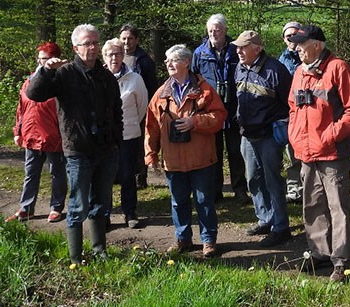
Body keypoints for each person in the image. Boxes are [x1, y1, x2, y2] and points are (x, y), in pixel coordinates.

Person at [27, 24, 124, 265]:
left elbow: (117, 110)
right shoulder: (64, 73)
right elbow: (34, 94)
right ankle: (75, 258)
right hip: (78, 150)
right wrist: (45, 70)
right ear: (75, 48)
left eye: (94, 43)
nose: (92, 47)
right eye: (86, 43)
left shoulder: (106, 76)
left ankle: (99, 251)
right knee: (78, 205)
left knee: (102, 203)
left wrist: (116, 139)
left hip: (106, 149)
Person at [287, 25, 350, 282]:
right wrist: (295, 136)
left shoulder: (337, 68)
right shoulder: (299, 71)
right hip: (306, 153)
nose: (297, 48)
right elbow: (292, 108)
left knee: (337, 208)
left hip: (332, 153)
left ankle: (341, 262)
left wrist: (330, 136)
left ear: (317, 45)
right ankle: (319, 254)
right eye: (295, 43)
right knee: (312, 205)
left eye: (302, 43)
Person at [145, 44, 228, 258]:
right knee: (178, 201)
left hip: (201, 158)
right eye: (167, 61)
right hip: (172, 161)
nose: (169, 64)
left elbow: (219, 117)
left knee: (204, 201)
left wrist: (195, 122)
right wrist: (150, 153)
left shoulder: (205, 90)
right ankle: (183, 239)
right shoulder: (161, 94)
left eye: (173, 60)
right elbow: (151, 126)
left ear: (186, 63)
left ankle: (208, 240)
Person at [233, 30, 293, 247]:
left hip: (268, 136)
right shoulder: (239, 67)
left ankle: (281, 226)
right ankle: (265, 218)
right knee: (253, 179)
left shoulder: (276, 70)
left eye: (243, 47)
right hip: (247, 135)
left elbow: (290, 103)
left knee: (272, 180)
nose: (238, 51)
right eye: (237, 47)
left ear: (256, 48)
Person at [6, 42, 68, 224]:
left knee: (57, 173)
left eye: (47, 59)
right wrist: (18, 131)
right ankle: (26, 208)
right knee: (30, 173)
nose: (43, 63)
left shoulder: (61, 82)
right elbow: (21, 109)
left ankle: (56, 207)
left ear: (55, 60)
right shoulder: (29, 81)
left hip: (53, 137)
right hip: (30, 136)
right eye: (40, 59)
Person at [192, 13, 247, 204]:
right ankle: (215, 190)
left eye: (217, 30)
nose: (214, 33)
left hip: (233, 107)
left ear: (225, 31)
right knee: (212, 151)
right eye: (210, 30)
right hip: (211, 108)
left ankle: (240, 189)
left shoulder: (236, 50)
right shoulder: (200, 52)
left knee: (235, 151)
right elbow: (194, 79)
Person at [103, 38, 149, 229]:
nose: (114, 57)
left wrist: (128, 124)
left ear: (123, 55)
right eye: (110, 54)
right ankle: (103, 214)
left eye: (118, 53)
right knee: (103, 177)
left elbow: (142, 106)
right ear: (104, 57)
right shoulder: (98, 77)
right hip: (104, 137)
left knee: (128, 175)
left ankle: (130, 212)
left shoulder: (135, 78)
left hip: (128, 134)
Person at [118, 24, 158, 189]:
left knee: (140, 143)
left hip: (140, 108)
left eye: (130, 38)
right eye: (124, 38)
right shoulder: (115, 56)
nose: (127, 41)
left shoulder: (144, 60)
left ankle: (140, 176)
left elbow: (151, 86)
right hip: (120, 110)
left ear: (137, 40)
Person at [279, 21, 303, 203]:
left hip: (310, 113)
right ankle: (294, 190)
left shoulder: (309, 55)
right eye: (289, 37)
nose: (293, 40)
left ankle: (312, 189)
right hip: (290, 113)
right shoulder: (281, 61)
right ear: (284, 39)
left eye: (296, 35)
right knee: (292, 153)